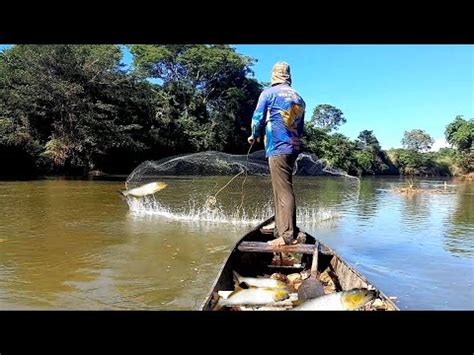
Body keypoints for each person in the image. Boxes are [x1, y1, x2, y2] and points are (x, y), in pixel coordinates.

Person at [248, 61, 306, 246]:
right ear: (288, 75)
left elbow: (257, 119)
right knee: (280, 189)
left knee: (283, 190)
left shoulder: (268, 93)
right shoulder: (299, 97)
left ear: (274, 75)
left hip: (277, 146)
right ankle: (280, 229)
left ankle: (287, 235)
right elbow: (301, 128)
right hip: (293, 147)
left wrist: (254, 135)